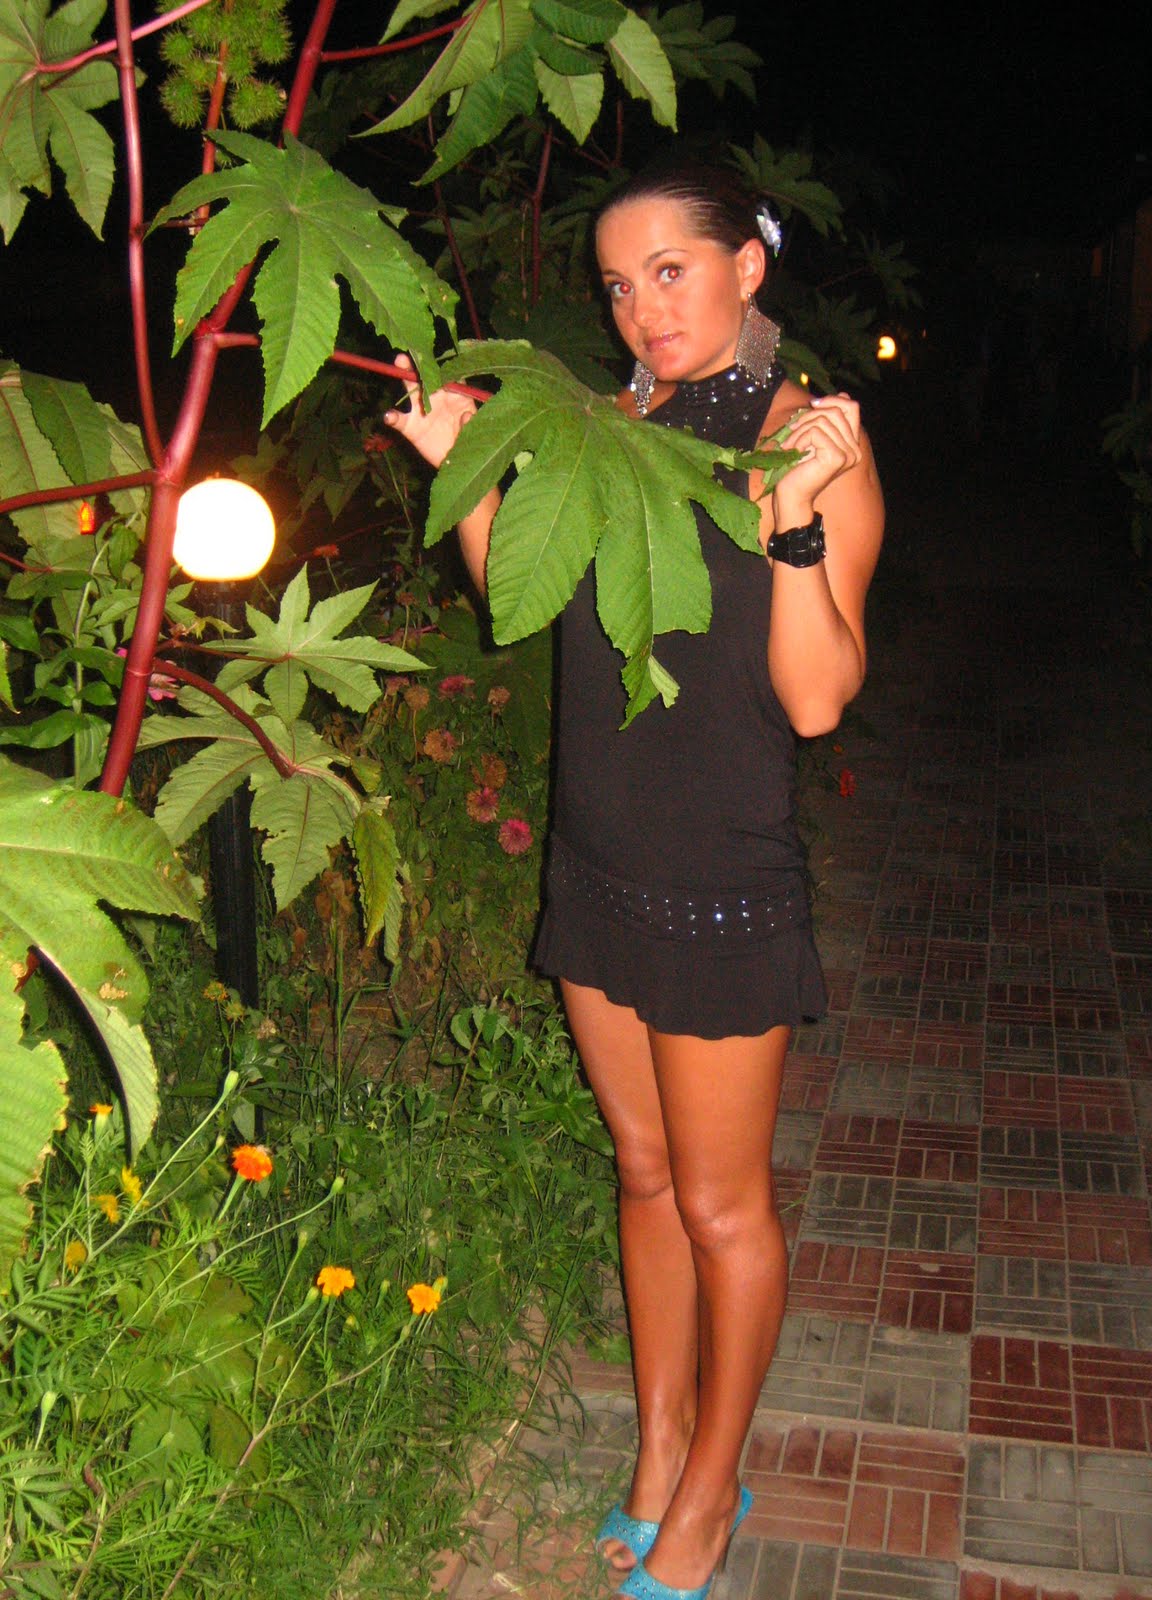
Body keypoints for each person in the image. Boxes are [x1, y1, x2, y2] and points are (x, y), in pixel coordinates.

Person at [385, 159, 884, 1600]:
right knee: (646, 1173)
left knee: (725, 1208)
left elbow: (816, 700)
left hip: (722, 871)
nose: (642, 308)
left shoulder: (810, 442)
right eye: (618, 283)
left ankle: (714, 1494)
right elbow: (526, 597)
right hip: (599, 851)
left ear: (748, 268)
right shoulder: (610, 423)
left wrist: (794, 519)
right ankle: (659, 1448)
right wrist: (468, 472)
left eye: (671, 269)